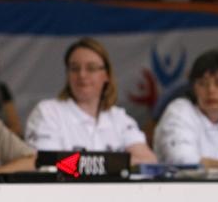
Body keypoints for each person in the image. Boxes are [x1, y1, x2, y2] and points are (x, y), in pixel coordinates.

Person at [25, 37, 155, 163]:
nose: (82, 75)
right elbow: (46, 163)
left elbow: (148, 160)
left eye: (91, 68)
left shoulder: (119, 118)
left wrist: (96, 164)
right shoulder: (48, 112)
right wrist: (113, 164)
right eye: (74, 68)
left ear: (106, 75)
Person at [155, 49, 218, 167]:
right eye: (202, 83)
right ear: (193, 88)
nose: (211, 90)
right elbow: (183, 161)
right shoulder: (179, 112)